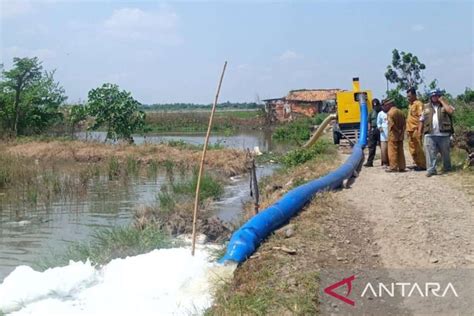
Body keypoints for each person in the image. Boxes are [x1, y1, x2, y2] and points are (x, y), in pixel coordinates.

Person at [419, 89, 455, 177]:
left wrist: (442, 101)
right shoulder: (426, 107)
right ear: (430, 97)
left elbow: (450, 111)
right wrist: (419, 132)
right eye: (433, 96)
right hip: (430, 134)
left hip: (444, 134)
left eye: (436, 95)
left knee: (445, 153)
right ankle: (431, 170)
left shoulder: (445, 105)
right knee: (430, 153)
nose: (434, 97)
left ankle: (447, 168)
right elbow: (421, 120)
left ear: (439, 96)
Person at [382, 98, 406, 172]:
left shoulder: (390, 113)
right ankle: (402, 167)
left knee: (392, 151)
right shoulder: (401, 112)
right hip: (401, 135)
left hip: (393, 135)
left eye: (386, 105)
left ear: (390, 104)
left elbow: (392, 124)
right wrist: (401, 131)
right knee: (400, 151)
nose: (385, 107)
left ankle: (393, 167)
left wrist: (397, 130)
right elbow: (404, 124)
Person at [406, 88, 426, 170]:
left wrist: (420, 131)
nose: (408, 98)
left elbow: (422, 118)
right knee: (412, 149)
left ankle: (422, 165)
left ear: (414, 95)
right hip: (409, 130)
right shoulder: (410, 105)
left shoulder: (419, 104)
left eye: (410, 96)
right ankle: (417, 163)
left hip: (416, 129)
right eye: (407, 96)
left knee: (418, 148)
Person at [364, 98, 382, 167]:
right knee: (371, 147)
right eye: (374, 105)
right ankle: (370, 162)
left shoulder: (382, 112)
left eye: (376, 105)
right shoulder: (371, 112)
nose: (375, 106)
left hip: (380, 130)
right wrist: (369, 131)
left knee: (382, 146)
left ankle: (385, 161)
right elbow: (369, 122)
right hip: (373, 129)